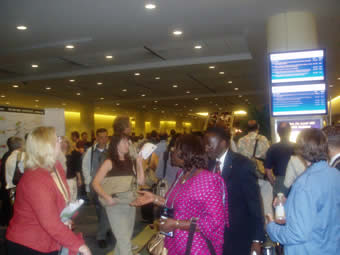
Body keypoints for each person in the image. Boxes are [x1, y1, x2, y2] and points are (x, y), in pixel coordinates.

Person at [132, 134, 227, 255]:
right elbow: (176, 203)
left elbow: (215, 222)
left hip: (196, 247)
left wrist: (176, 223)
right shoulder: (182, 174)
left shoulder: (208, 180)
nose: (171, 151)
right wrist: (154, 198)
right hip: (176, 243)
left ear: (186, 153)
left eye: (175, 148)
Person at [6, 126, 91, 255]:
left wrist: (65, 216)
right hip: (29, 244)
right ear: (46, 146)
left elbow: (60, 200)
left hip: (49, 239)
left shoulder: (56, 167)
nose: (61, 140)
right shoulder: (35, 179)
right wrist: (79, 246)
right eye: (57, 139)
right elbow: (50, 223)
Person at [266, 128, 340, 255]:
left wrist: (271, 227)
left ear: (301, 150)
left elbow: (297, 234)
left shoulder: (305, 183)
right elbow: (322, 212)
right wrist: (289, 204)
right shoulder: (334, 174)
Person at [204, 127, 265, 255]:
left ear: (223, 143)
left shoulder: (242, 165)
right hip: (214, 235)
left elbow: (254, 204)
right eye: (205, 145)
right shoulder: (208, 165)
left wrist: (257, 239)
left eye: (210, 145)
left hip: (238, 233)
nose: (206, 148)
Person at [92, 134, 145, 255]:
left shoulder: (130, 161)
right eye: (125, 142)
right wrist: (106, 197)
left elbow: (141, 181)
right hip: (115, 205)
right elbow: (95, 183)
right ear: (117, 145)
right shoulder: (109, 162)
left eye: (128, 142)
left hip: (130, 204)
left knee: (123, 239)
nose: (128, 145)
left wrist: (139, 163)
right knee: (124, 241)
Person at [82, 128, 110, 248]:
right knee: (100, 209)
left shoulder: (110, 151)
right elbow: (85, 167)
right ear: (97, 138)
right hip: (94, 185)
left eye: (105, 137)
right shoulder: (90, 151)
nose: (103, 139)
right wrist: (88, 182)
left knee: (105, 208)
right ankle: (105, 226)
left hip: (108, 186)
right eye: (101, 137)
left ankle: (101, 236)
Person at [238, 120, 272, 216]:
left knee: (250, 201)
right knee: (266, 202)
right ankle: (266, 224)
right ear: (258, 127)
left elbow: (239, 158)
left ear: (246, 129)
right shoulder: (263, 139)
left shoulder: (241, 141)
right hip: (261, 173)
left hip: (247, 175)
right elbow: (268, 155)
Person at [264, 122, 294, 196]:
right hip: (295, 181)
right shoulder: (297, 147)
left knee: (279, 206)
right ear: (290, 132)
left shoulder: (272, 148)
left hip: (280, 182)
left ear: (278, 133)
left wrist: (273, 183)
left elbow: (268, 170)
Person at [0, 137, 23, 225]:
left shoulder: (6, 156)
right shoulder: (20, 156)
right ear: (20, 145)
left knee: (8, 213)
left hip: (7, 188)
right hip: (15, 189)